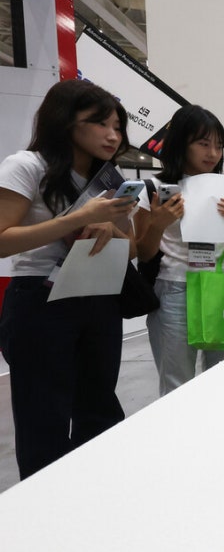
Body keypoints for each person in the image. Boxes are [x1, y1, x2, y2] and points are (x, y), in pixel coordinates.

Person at [0, 79, 137, 479]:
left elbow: (130, 250)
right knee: (43, 421)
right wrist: (78, 219)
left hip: (98, 297)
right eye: (100, 124)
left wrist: (112, 229)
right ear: (65, 121)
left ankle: (93, 498)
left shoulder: (111, 179)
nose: (113, 136)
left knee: (100, 412)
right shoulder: (27, 166)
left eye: (117, 126)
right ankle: (44, 510)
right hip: (40, 300)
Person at [134, 105, 224, 395]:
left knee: (222, 380)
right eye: (203, 144)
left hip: (219, 287)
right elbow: (144, 253)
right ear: (181, 143)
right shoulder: (155, 188)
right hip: (174, 288)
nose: (213, 153)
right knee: (177, 385)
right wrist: (159, 224)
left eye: (219, 146)